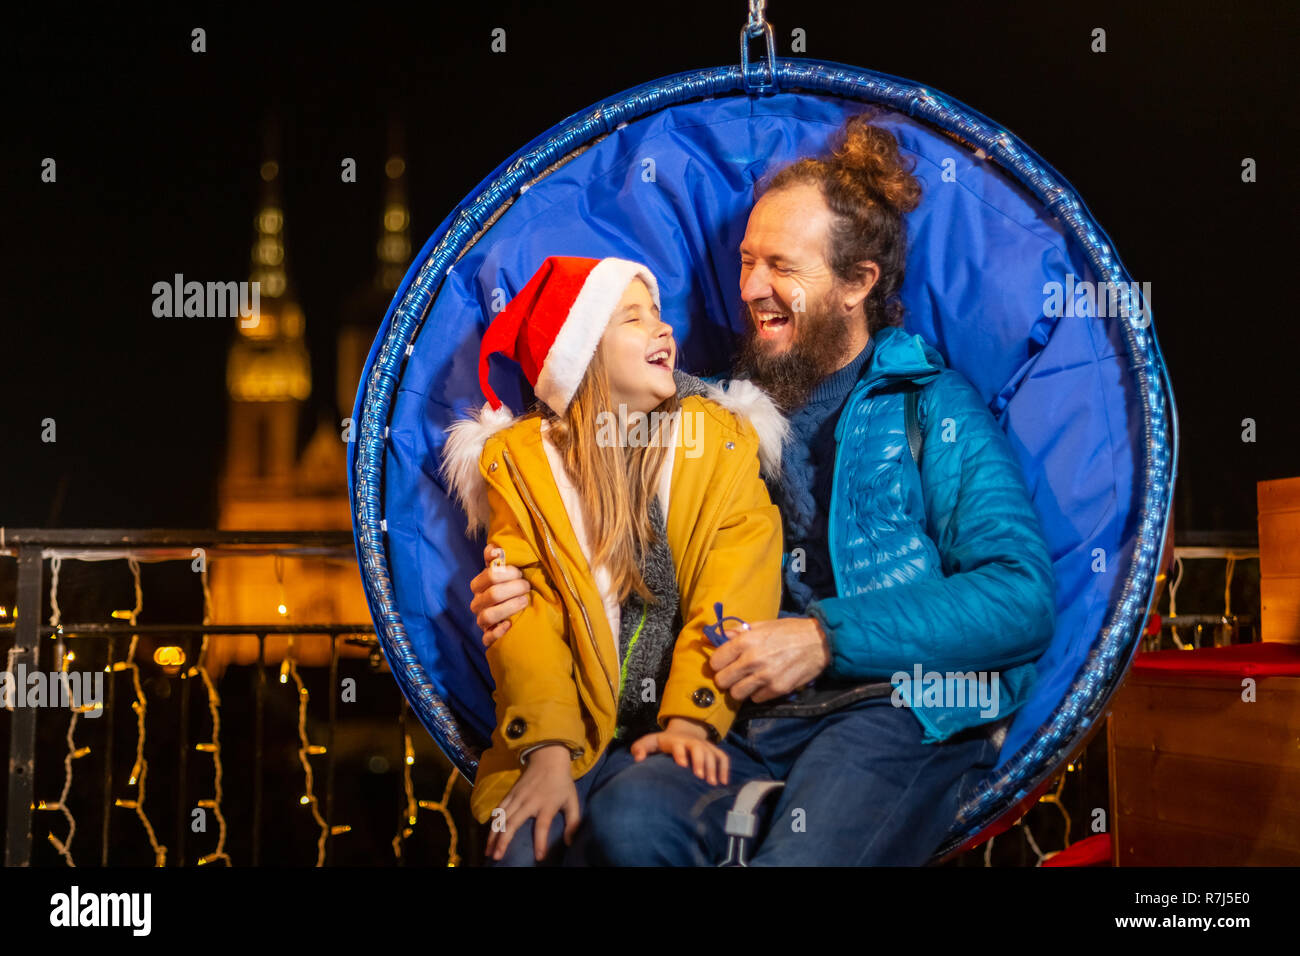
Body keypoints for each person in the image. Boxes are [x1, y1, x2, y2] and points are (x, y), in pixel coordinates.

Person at [470, 112, 1057, 865]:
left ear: (857, 284)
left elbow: (1019, 595)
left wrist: (823, 637)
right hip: (741, 724)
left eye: (781, 266)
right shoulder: (704, 415)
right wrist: (516, 588)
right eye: (746, 262)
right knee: (626, 821)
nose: (751, 288)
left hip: (895, 706)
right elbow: (575, 497)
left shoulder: (933, 407)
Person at [440, 255, 788, 865]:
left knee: (630, 828)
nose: (662, 328)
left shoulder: (721, 445)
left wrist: (691, 720)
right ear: (584, 359)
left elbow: (734, 591)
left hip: (691, 724)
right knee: (522, 844)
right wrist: (546, 750)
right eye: (632, 318)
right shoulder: (523, 469)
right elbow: (526, 619)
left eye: (657, 313)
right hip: (574, 733)